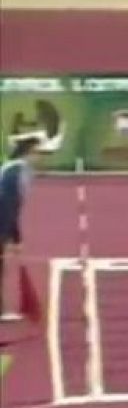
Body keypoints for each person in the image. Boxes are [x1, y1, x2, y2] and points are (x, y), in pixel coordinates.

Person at [0, 136, 46, 321]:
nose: (40, 157)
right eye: (37, 152)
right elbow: (9, 204)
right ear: (28, 152)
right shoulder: (17, 171)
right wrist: (15, 237)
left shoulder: (15, 169)